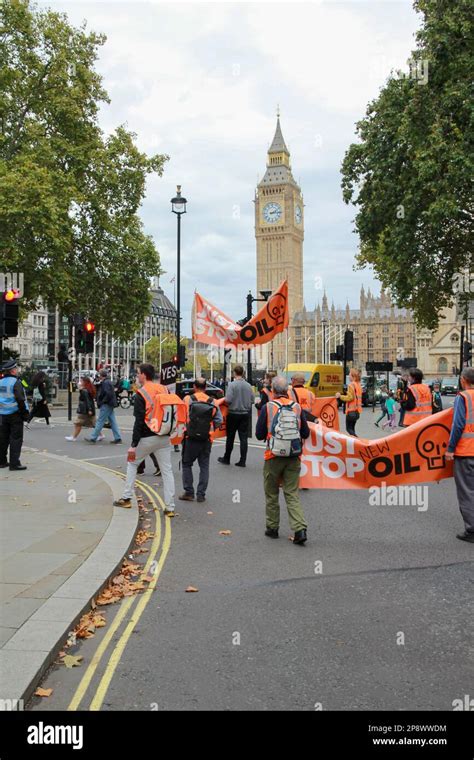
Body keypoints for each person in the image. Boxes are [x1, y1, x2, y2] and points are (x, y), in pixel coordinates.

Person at [113, 363, 176, 514]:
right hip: (164, 435)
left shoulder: (141, 393)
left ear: (144, 375)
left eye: (138, 373)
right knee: (167, 471)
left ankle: (127, 498)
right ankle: (170, 508)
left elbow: (139, 421)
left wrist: (133, 445)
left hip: (148, 436)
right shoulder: (164, 388)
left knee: (132, 463)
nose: (136, 376)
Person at [256, 375, 310, 544]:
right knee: (291, 493)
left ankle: (272, 528)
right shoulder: (297, 408)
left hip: (273, 456)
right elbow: (305, 433)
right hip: (294, 456)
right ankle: (300, 530)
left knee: (272, 493)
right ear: (287, 391)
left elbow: (259, 435)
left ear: (272, 391)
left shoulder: (268, 407)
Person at [179, 378, 223, 503]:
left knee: (187, 464)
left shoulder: (187, 399)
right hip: (206, 438)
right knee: (204, 466)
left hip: (190, 437)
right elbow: (219, 421)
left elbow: (181, 417)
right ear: (205, 387)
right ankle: (201, 494)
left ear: (194, 386)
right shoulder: (213, 401)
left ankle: (189, 492)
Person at [445, 368, 474, 543]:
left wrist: (450, 448)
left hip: (467, 451)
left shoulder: (463, 397)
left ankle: (472, 530)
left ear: (463, 380)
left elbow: (458, 425)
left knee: (467, 492)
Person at [218, 364, 254, 467]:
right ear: (242, 373)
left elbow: (228, 400)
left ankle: (227, 458)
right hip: (245, 414)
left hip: (233, 413)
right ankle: (242, 460)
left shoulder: (232, 385)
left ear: (234, 373)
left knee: (230, 437)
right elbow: (252, 400)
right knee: (243, 438)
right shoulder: (248, 385)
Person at [0, 359, 29, 471]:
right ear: (12, 371)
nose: (17, 370)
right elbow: (20, 399)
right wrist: (25, 414)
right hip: (15, 415)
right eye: (16, 368)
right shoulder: (16, 382)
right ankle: (14, 464)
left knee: (3, 439)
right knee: (16, 439)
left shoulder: (0, 382)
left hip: (2, 415)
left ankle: (2, 461)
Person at [86, 369, 122, 444]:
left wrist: (102, 401)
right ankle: (118, 437)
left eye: (99, 375)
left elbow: (107, 394)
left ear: (101, 376)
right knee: (112, 421)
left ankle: (93, 438)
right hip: (110, 404)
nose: (98, 376)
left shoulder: (105, 383)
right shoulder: (107, 382)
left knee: (100, 421)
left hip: (106, 404)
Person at [65, 377, 98, 441]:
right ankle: (101, 435)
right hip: (88, 409)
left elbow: (87, 401)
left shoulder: (84, 390)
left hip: (84, 410)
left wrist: (89, 409)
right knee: (94, 424)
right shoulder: (88, 389)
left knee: (78, 423)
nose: (79, 383)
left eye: (81, 381)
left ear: (84, 382)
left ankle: (74, 437)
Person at [336, 368, 362, 437]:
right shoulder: (358, 385)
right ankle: (356, 443)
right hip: (357, 412)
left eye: (349, 375)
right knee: (352, 429)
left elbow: (350, 397)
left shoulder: (351, 385)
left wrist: (340, 396)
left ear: (353, 376)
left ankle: (358, 441)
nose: (349, 376)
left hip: (351, 412)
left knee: (348, 429)